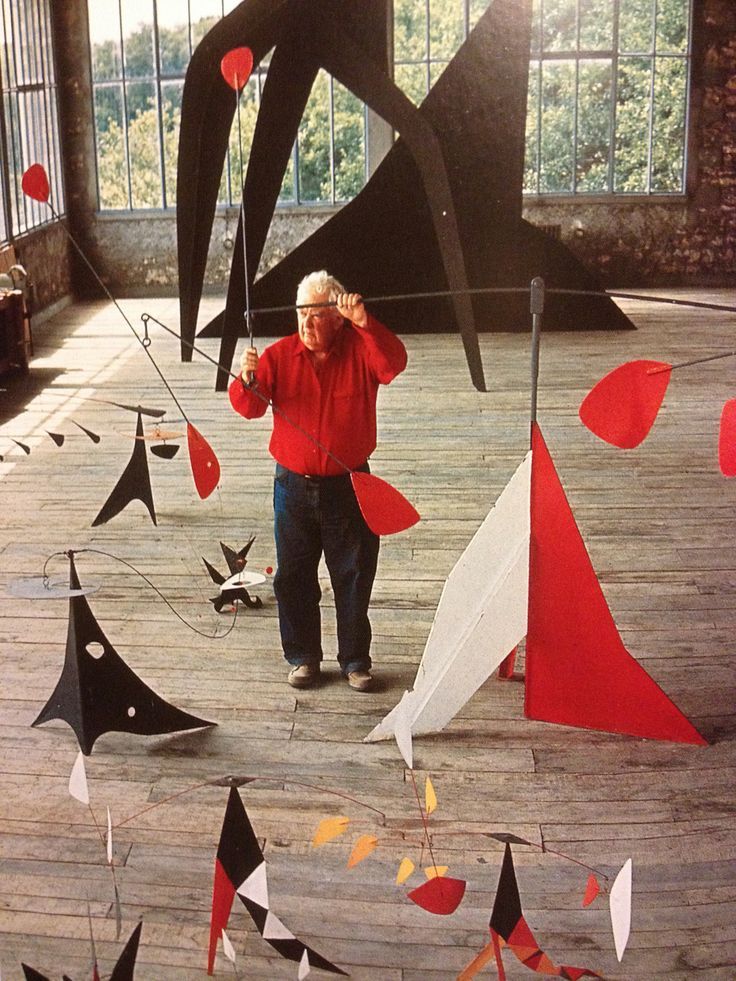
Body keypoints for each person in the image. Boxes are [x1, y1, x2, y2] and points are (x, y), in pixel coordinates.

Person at [229, 270, 407, 691]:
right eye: (301, 314)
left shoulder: (361, 350)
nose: (306, 324)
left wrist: (367, 323)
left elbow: (394, 363)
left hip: (349, 486)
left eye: (316, 315)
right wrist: (247, 377)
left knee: (354, 574)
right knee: (293, 576)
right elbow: (249, 409)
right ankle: (303, 657)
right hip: (292, 486)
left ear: (338, 318)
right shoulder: (277, 355)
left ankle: (355, 661)